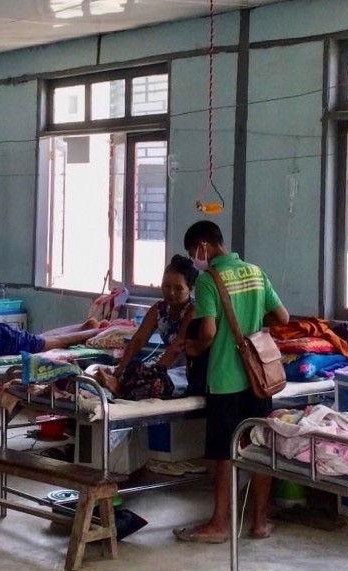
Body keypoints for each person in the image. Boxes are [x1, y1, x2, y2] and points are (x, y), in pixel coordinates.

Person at [172, 220, 289, 544]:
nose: (195, 259)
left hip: (226, 378)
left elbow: (207, 331)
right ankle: (259, 522)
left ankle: (220, 524)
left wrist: (195, 347)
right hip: (259, 378)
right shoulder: (255, 271)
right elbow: (283, 318)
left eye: (194, 253)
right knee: (260, 446)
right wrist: (254, 328)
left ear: (203, 248)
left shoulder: (210, 281)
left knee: (225, 452)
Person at [95, 255, 206, 398]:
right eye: (166, 286)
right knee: (132, 371)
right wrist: (120, 368)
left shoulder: (193, 310)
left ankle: (119, 388)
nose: (171, 292)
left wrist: (152, 374)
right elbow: (138, 341)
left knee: (148, 384)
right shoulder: (159, 309)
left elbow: (177, 347)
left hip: (187, 372)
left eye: (178, 288)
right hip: (168, 368)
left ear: (190, 289)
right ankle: (117, 383)